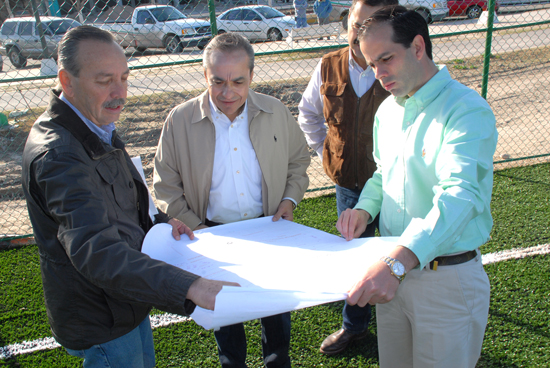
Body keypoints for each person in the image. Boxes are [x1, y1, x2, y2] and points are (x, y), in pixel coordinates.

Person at [21, 26, 236, 368]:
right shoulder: (60, 155)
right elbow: (98, 254)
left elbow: (126, 196)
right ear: (66, 80)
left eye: (124, 77)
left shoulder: (93, 123)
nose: (119, 92)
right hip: (100, 312)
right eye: (105, 80)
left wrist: (162, 221)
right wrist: (188, 286)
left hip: (124, 299)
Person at [337, 5, 498, 366]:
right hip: (395, 271)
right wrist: (365, 208)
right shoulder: (389, 111)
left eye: (386, 59)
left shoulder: (466, 109)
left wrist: (397, 262)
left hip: (446, 279)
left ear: (419, 47)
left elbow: (461, 194)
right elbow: (384, 172)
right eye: (371, 64)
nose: (378, 73)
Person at [153, 32, 310, 368]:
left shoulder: (275, 111)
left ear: (252, 76)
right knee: (225, 321)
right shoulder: (179, 120)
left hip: (270, 232)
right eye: (218, 81)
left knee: (276, 314)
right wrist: (198, 230)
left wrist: (288, 199)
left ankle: (277, 360)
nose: (228, 92)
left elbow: (298, 161)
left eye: (238, 81)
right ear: (205, 76)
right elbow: (166, 186)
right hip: (211, 236)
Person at [298, 0, 397, 356]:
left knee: (401, 252)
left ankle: (402, 320)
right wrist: (327, 151)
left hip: (398, 186)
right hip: (350, 186)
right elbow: (308, 114)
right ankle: (354, 327)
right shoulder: (327, 66)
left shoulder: (400, 67)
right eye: (357, 24)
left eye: (372, 24)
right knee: (356, 258)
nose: (361, 33)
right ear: (347, 23)